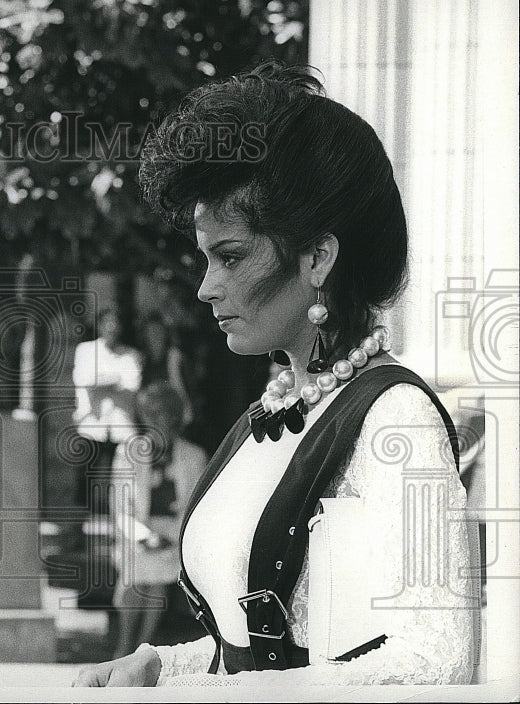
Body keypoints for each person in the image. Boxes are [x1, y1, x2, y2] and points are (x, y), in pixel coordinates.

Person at [74, 63, 478, 687]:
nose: (207, 288)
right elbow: (259, 647)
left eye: (230, 256)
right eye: (205, 259)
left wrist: (212, 693)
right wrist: (163, 666)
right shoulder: (270, 413)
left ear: (318, 256)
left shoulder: (398, 420)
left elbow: (435, 662)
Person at [110, 381, 208, 658]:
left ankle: (142, 646)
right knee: (136, 572)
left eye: (166, 416)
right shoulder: (127, 453)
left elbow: (194, 508)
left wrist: (171, 537)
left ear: (176, 419)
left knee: (158, 574)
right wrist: (144, 537)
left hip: (174, 533)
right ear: (144, 417)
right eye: (153, 416)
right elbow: (120, 508)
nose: (159, 423)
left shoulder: (194, 456)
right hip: (137, 531)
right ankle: (125, 645)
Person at [72, 306, 143, 515]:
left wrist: (101, 379)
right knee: (84, 483)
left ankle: (117, 530)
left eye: (116, 323)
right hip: (91, 427)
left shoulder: (131, 355)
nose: (112, 327)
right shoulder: (85, 350)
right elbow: (83, 379)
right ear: (100, 325)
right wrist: (115, 378)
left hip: (121, 429)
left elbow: (132, 384)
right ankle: (79, 533)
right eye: (107, 322)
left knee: (120, 484)